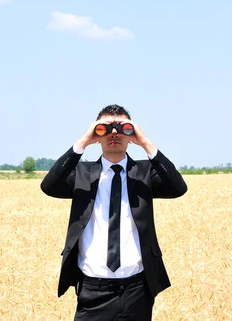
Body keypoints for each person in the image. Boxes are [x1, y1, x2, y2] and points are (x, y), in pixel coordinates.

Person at [41, 104, 188, 320]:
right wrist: (82, 142)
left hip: (137, 289)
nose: (114, 134)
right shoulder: (81, 174)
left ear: (132, 134)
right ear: (96, 135)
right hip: (92, 289)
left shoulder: (145, 173)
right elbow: (49, 186)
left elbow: (178, 187)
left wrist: (147, 144)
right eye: (105, 129)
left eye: (123, 128)